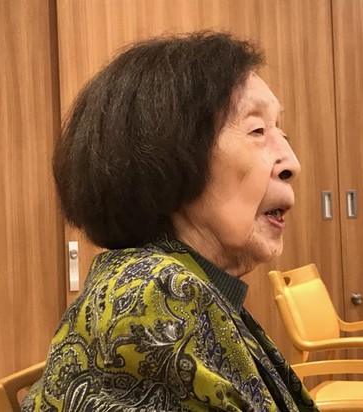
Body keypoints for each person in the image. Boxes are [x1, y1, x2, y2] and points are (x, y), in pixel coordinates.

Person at [22, 31, 318, 411]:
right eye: (257, 130)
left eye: (282, 132)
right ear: (171, 158)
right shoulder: (154, 295)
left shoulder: (180, 282)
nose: (292, 163)